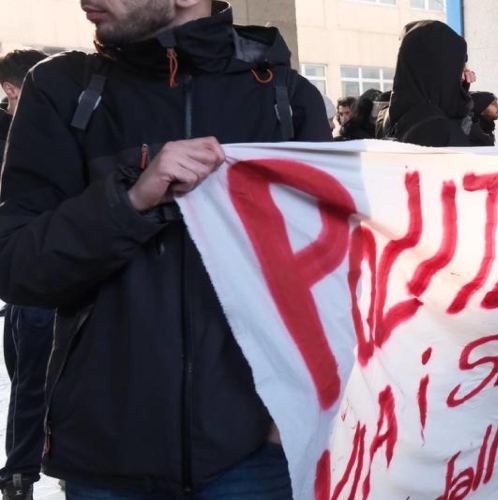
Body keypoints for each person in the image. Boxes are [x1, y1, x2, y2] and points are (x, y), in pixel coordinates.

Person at [0, 1, 330, 497]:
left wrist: (299, 405)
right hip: (107, 453)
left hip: (255, 453)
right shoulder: (64, 90)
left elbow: (328, 275)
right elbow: (17, 267)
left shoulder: (285, 96)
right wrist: (130, 200)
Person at [0, 48, 52, 500]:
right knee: (28, 375)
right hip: (34, 272)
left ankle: (20, 473)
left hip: (39, 278)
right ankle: (20, 471)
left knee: (30, 378)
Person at [381, 21, 472, 147]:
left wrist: (460, 93)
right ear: (442, 67)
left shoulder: (392, 114)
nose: (463, 74)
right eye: (459, 66)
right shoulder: (438, 129)